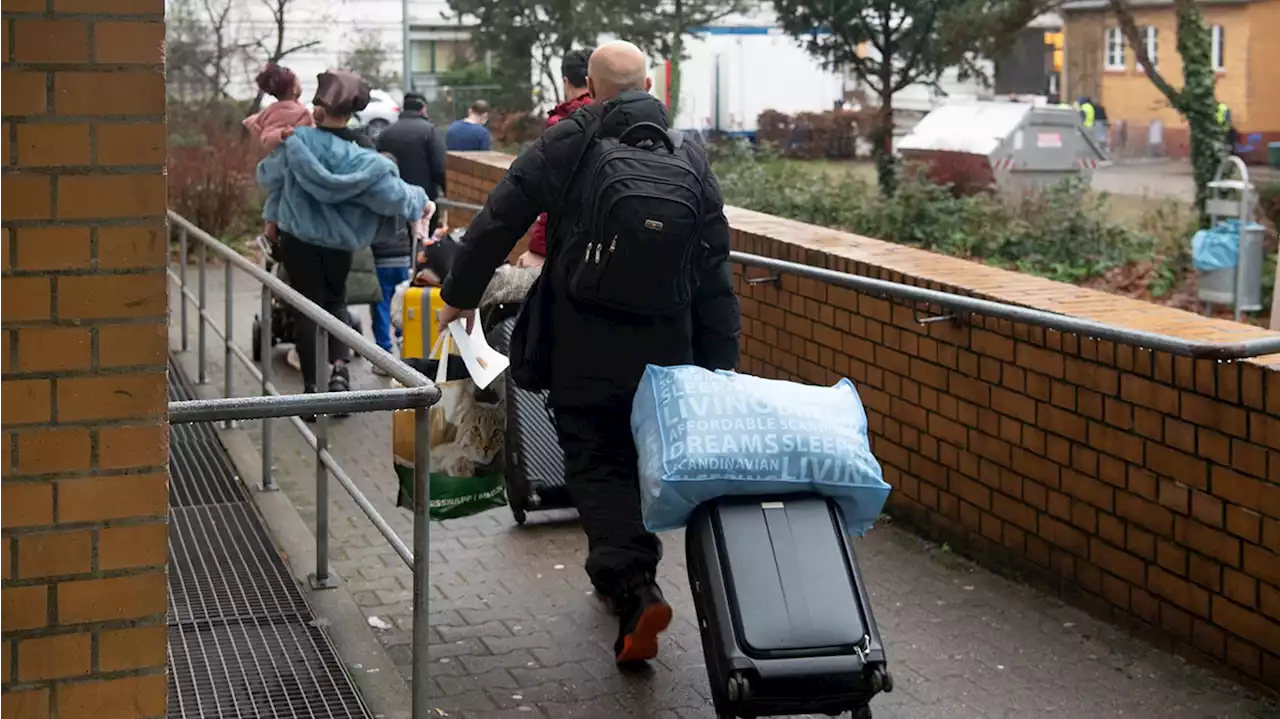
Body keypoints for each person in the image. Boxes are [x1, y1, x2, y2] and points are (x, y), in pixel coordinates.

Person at [436, 40, 740, 666]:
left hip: (584, 336)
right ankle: (626, 572)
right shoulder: (688, 154)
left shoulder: (569, 139)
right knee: (631, 455)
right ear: (649, 83)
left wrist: (460, 295)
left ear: (591, 87)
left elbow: (498, 217)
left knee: (595, 458)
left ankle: (632, 584)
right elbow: (714, 268)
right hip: (667, 339)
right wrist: (719, 365)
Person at [257, 69, 431, 408]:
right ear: (352, 110)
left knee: (306, 307)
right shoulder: (364, 151)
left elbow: (267, 177)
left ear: (320, 106)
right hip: (339, 244)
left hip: (298, 239)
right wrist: (422, 201)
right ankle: (339, 371)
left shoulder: (297, 141)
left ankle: (311, 390)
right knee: (336, 300)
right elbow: (393, 195)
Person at [518, 47, 595, 270]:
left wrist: (538, 248)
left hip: (567, 240)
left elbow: (551, 189)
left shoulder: (563, 124)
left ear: (565, 81)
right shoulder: (616, 115)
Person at [369, 152, 436, 373]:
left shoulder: (371, 194)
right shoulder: (406, 193)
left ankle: (383, 356)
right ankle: (404, 345)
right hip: (404, 257)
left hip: (379, 260)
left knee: (381, 308)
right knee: (404, 307)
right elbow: (424, 214)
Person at [243, 63, 315, 242]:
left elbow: (257, 123)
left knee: (278, 196)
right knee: (280, 196)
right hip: (286, 163)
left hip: (278, 160)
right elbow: (268, 136)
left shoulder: (273, 110)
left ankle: (272, 232)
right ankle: (270, 234)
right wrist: (282, 134)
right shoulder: (295, 111)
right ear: (293, 88)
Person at [377, 92, 448, 236]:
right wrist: (445, 190)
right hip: (424, 199)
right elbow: (439, 166)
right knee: (423, 240)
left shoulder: (386, 133)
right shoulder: (430, 131)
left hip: (393, 198)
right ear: (423, 109)